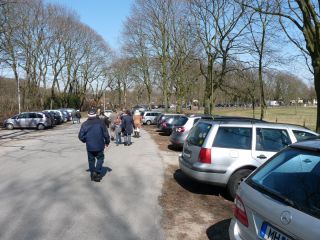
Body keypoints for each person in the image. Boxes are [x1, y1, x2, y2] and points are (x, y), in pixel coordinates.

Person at [78, 108, 110, 182]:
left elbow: (80, 136)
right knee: (100, 158)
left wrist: (86, 140)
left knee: (91, 160)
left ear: (88, 115)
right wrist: (107, 142)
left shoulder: (85, 124)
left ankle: (93, 174)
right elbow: (106, 134)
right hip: (99, 145)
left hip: (90, 146)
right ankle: (97, 172)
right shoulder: (101, 123)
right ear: (96, 114)